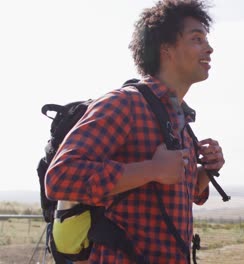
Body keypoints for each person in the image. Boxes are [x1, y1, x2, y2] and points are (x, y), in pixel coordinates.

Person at [45, 0, 224, 263]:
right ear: (166, 48)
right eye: (197, 39)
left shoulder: (179, 119)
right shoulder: (124, 104)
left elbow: (173, 191)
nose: (209, 48)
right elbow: (60, 178)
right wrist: (151, 169)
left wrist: (205, 173)